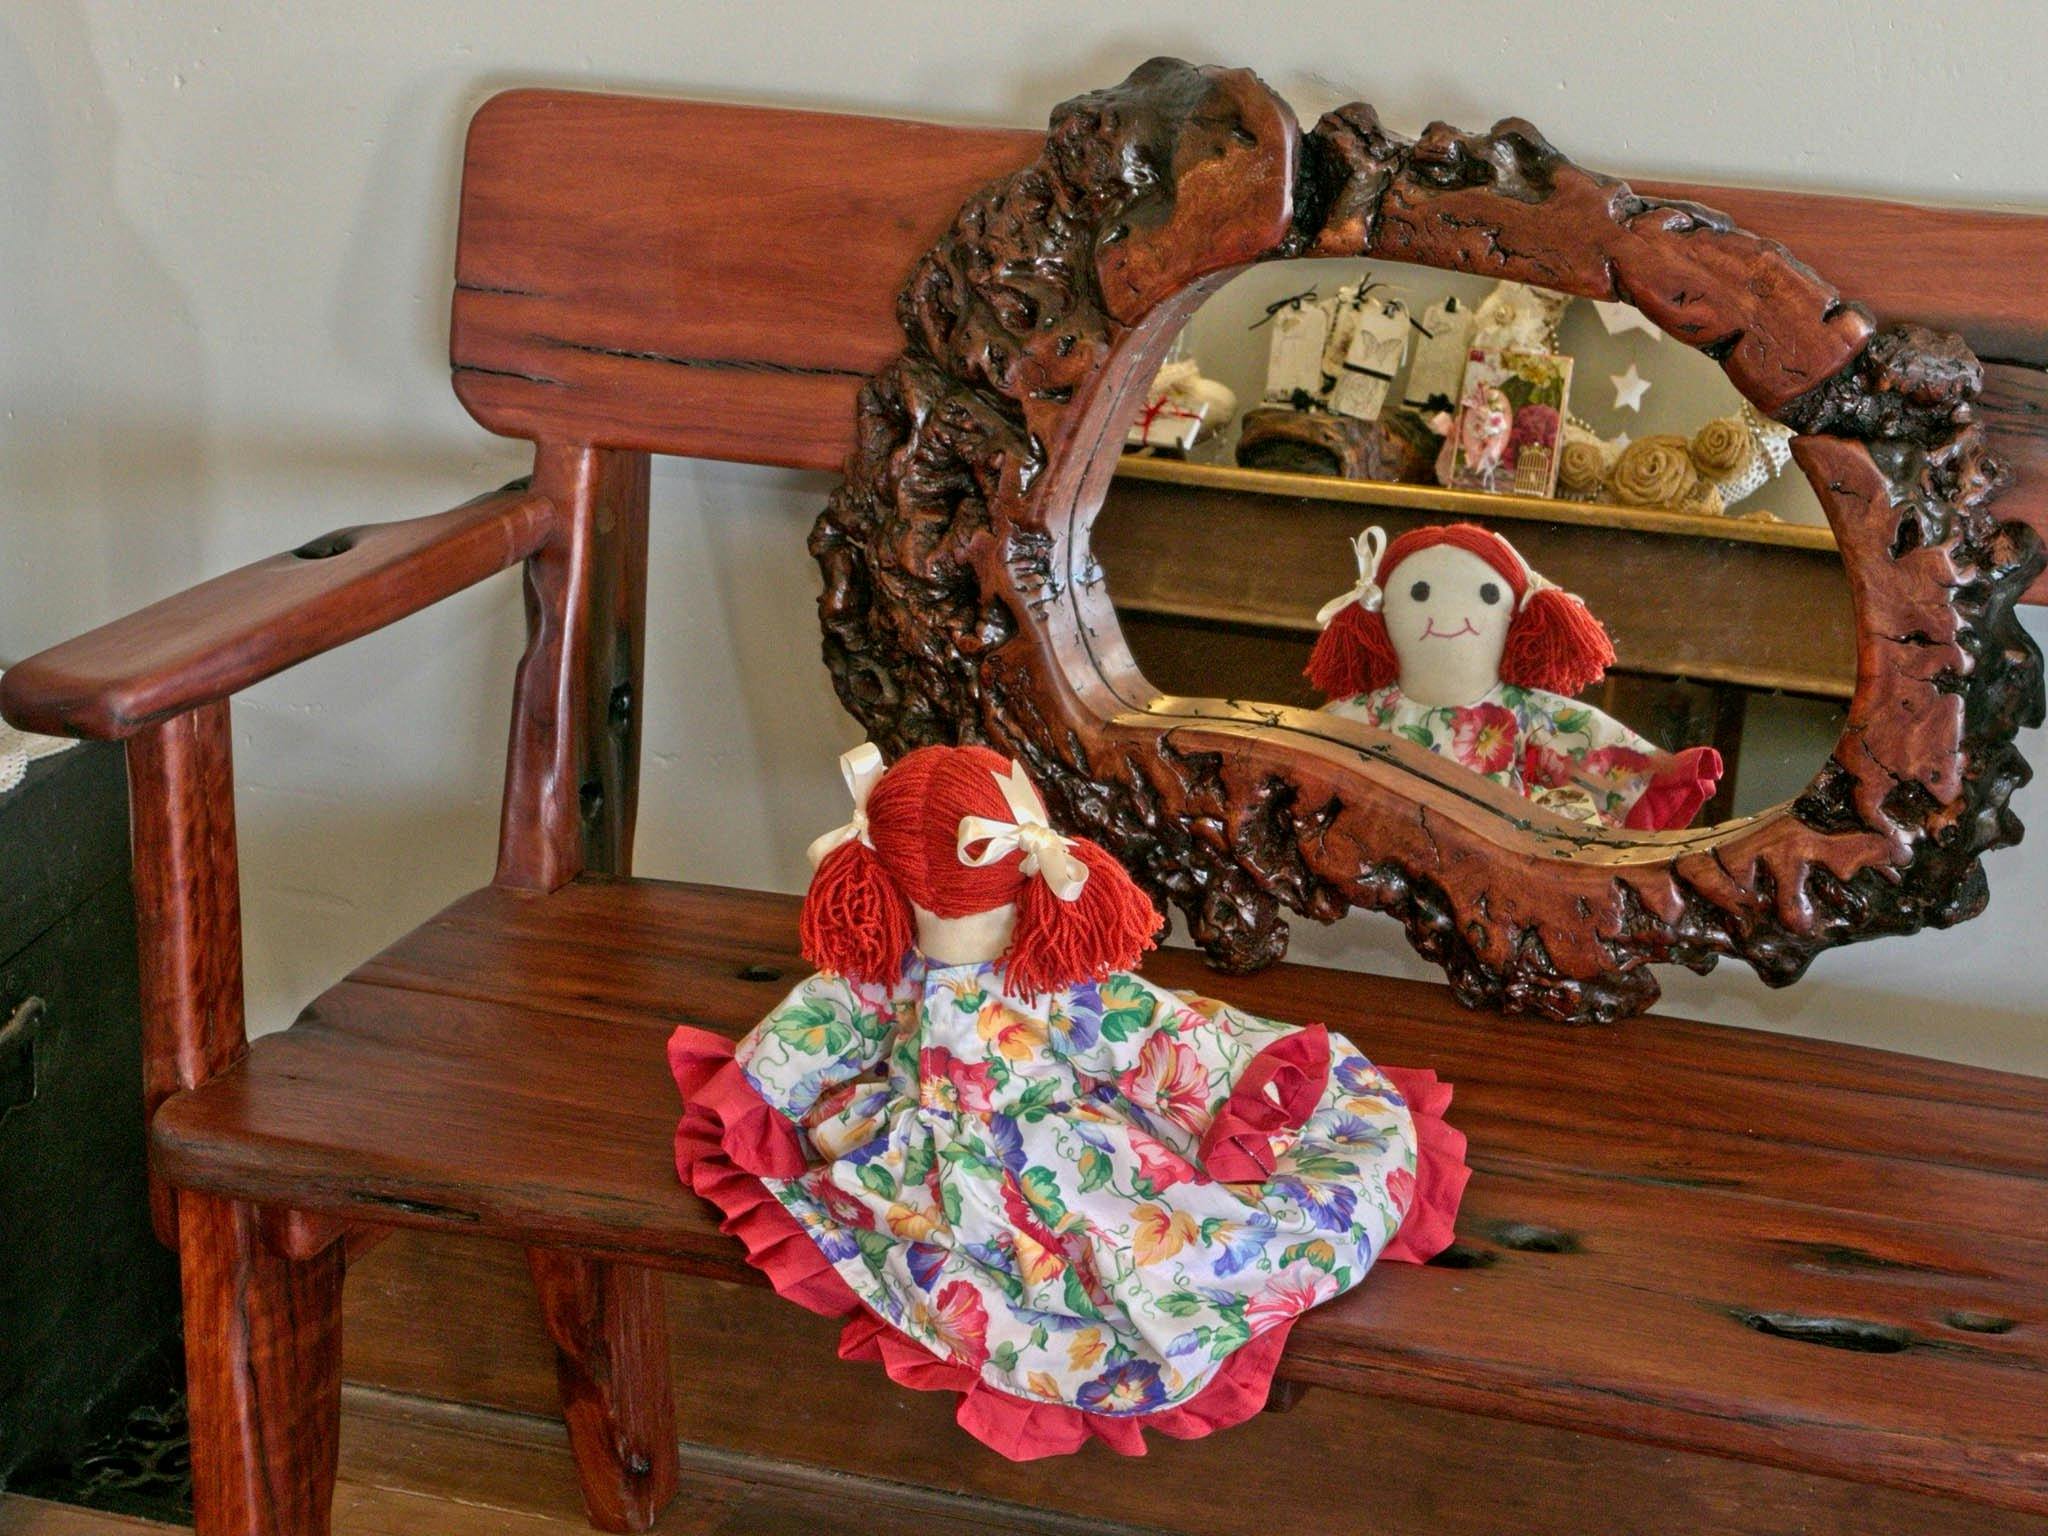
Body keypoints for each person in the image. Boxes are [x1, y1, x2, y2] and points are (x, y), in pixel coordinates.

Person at [669, 742, 1467, 1458]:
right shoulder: (1021, 976)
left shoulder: (949, 974)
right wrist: (1242, 1079)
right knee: (1140, 1255)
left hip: (947, 1158)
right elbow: (1151, 1037)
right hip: (1010, 1152)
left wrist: (758, 1089)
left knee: (1100, 1257)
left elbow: (819, 1026)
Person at [1309, 523, 1724, 829]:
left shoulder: (1523, 710)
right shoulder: (1367, 712)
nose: (1451, 614)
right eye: (1419, 594)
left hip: (1500, 859)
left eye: (1487, 595)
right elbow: (1306, 753)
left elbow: (1588, 746)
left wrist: (1664, 771)